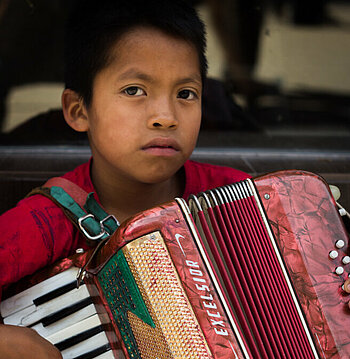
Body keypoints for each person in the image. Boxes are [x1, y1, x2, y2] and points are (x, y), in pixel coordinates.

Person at [0, 0, 249, 357]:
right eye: (134, 90)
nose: (165, 116)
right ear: (78, 110)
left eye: (185, 94)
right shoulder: (42, 223)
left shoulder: (240, 199)